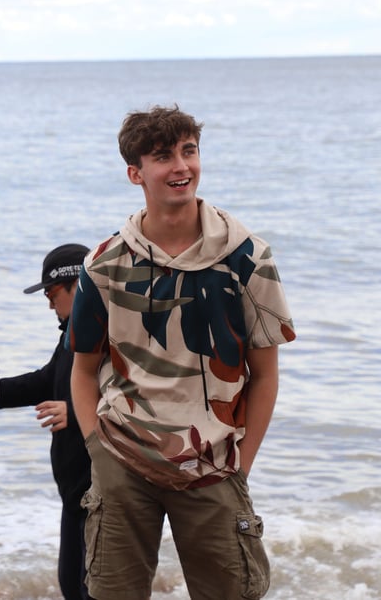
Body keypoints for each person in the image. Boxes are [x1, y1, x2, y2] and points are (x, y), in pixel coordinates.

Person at [69, 105, 296, 600]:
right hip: (123, 460)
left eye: (189, 151)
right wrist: (97, 451)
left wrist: (241, 465)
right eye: (163, 157)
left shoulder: (248, 257)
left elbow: (265, 374)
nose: (181, 167)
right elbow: (83, 370)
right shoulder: (104, 264)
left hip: (215, 465)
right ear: (135, 173)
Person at [0, 243, 93, 600]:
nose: (49, 303)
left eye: (51, 293)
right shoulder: (70, 334)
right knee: (71, 585)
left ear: (77, 284)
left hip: (102, 494)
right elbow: (43, 382)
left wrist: (78, 413)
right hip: (74, 494)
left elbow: (143, 398)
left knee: (90, 589)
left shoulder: (112, 330)